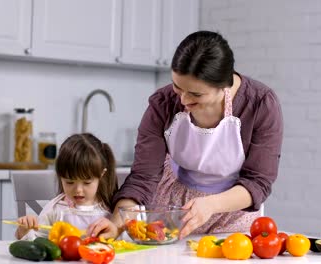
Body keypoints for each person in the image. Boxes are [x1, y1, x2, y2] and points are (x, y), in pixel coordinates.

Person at [88, 30, 283, 240]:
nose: (183, 100)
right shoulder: (163, 103)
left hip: (233, 215)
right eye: (177, 87)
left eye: (196, 94)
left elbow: (258, 182)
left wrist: (211, 205)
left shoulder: (260, 104)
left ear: (224, 85)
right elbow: (143, 177)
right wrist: (117, 223)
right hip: (172, 211)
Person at [15, 133, 118, 240]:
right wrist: (24, 231)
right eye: (69, 182)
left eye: (87, 183)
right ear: (60, 177)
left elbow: (126, 242)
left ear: (102, 174)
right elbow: (36, 245)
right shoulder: (55, 210)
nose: (78, 190)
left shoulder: (112, 208)